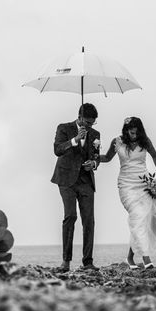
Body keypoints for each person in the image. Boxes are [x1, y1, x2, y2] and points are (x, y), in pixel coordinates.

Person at [99, 116, 156, 269]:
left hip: (143, 183)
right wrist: (94, 157)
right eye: (131, 131)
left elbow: (155, 156)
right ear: (126, 130)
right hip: (126, 186)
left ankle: (130, 258)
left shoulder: (145, 141)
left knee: (143, 219)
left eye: (136, 132)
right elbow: (107, 158)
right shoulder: (117, 141)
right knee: (138, 216)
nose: (133, 134)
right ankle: (146, 258)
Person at [51, 103, 101, 272]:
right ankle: (66, 261)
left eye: (92, 123)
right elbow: (57, 150)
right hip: (66, 180)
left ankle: (88, 262)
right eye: (87, 122)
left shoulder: (95, 134)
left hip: (86, 180)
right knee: (70, 216)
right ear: (79, 117)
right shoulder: (63, 128)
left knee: (89, 220)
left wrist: (93, 163)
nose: (90, 126)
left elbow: (96, 156)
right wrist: (74, 140)